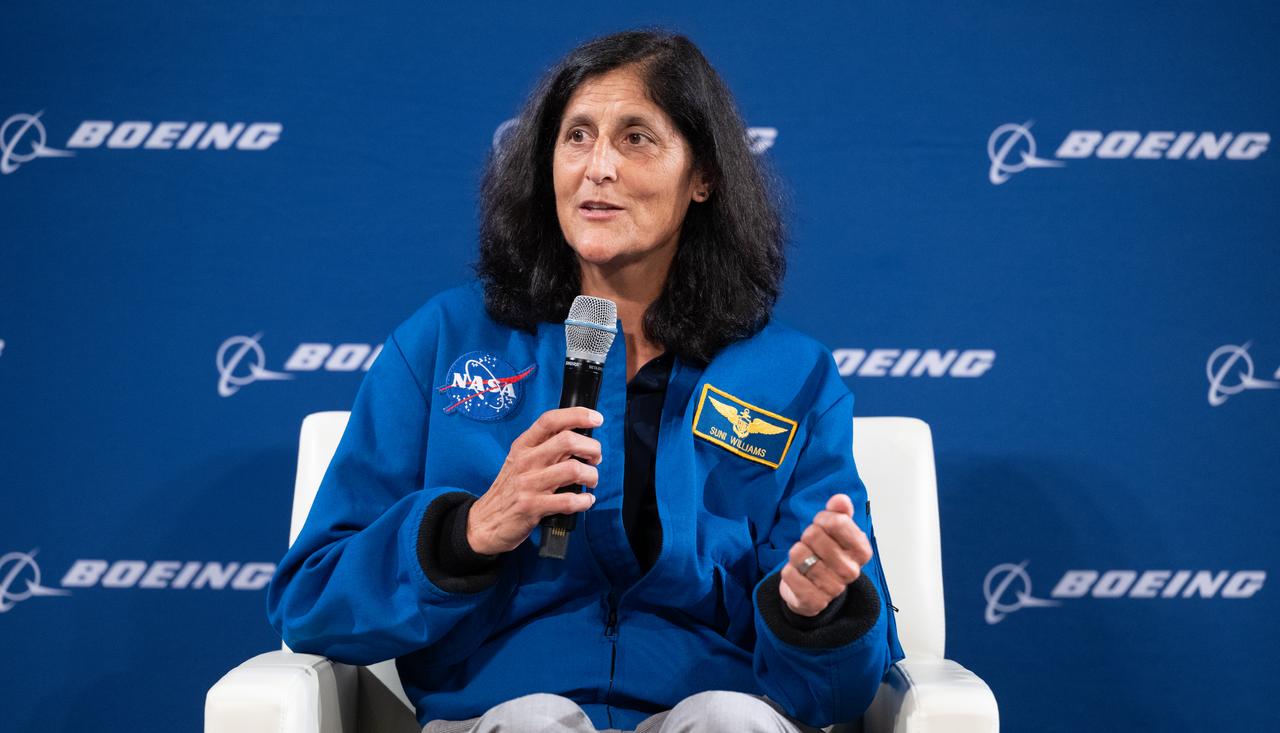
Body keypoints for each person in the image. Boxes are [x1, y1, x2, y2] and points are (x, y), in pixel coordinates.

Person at [267, 29, 904, 733]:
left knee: (731, 721)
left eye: (636, 137)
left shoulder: (793, 377)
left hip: (710, 709)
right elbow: (313, 599)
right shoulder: (446, 341)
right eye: (577, 137)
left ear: (703, 176)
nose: (597, 166)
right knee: (539, 722)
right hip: (499, 715)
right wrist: (471, 529)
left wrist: (812, 611)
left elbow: (842, 689)